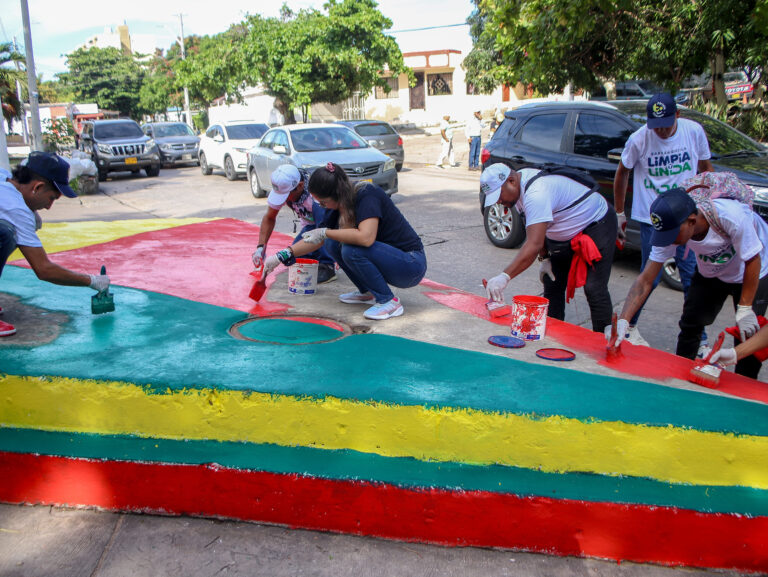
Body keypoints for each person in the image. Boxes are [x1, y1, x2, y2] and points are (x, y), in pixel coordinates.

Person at [609, 188, 768, 379]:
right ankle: (680, 378)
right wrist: (624, 321)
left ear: (692, 221)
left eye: (672, 234)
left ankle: (744, 389)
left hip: (754, 269)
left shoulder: (732, 216)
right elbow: (645, 279)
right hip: (711, 270)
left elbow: (753, 260)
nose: (669, 241)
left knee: (748, 332)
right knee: (691, 323)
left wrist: (745, 308)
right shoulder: (672, 228)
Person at [263, 162, 426, 321]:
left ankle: (389, 301)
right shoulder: (335, 206)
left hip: (410, 266)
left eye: (323, 202)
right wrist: (283, 254)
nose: (322, 206)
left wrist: (325, 232)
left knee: (351, 250)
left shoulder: (367, 194)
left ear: (336, 194)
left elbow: (366, 238)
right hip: (392, 262)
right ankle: (367, 291)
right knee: (331, 243)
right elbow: (316, 240)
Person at [613, 93, 714, 347]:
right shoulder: (639, 139)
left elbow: (705, 169)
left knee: (691, 275)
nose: (659, 131)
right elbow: (622, 171)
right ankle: (629, 327)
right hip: (653, 218)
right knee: (651, 275)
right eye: (655, 125)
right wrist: (619, 212)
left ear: (677, 115)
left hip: (686, 216)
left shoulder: (693, 132)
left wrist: (710, 204)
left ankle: (698, 339)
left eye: (665, 125)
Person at [482, 163, 617, 333]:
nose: (500, 202)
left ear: (511, 180)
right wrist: (545, 258)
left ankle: (603, 340)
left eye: (499, 195)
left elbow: (533, 243)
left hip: (597, 223)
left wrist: (505, 276)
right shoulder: (516, 190)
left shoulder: (537, 192)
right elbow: (535, 227)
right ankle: (554, 337)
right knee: (552, 281)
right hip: (562, 231)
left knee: (594, 288)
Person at [0, 151, 110, 337]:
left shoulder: (4, 178)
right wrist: (91, 281)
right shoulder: (16, 209)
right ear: (37, 187)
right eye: (52, 198)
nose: (49, 207)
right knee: (4, 234)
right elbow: (44, 269)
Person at [252, 164, 336, 284]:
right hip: (310, 226)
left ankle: (327, 265)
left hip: (331, 225)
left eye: (286, 195)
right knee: (294, 258)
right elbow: (269, 218)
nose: (285, 199)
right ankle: (315, 258)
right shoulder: (287, 188)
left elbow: (324, 228)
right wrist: (260, 248)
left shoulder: (315, 194)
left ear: (300, 186)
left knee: (320, 232)